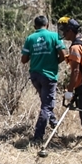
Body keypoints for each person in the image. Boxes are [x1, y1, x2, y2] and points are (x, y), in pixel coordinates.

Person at [21, 15, 67, 146]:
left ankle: (54, 123)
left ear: (35, 26)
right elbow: (64, 55)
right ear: (47, 25)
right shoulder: (54, 36)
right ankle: (38, 136)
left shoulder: (30, 38)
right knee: (47, 105)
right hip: (49, 75)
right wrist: (53, 62)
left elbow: (24, 60)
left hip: (35, 75)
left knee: (45, 101)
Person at [57, 17, 82, 149]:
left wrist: (69, 91)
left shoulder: (75, 47)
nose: (63, 33)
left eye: (64, 31)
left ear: (71, 31)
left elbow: (75, 71)